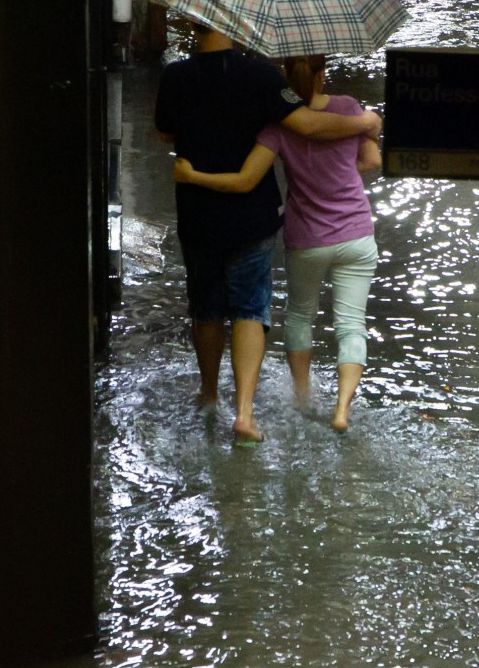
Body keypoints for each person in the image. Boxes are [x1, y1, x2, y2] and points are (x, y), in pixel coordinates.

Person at [156, 24, 380, 445]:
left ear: (194, 23)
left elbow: (166, 133)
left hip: (199, 213)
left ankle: (210, 394)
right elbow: (311, 127)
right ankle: (246, 413)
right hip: (256, 218)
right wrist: (367, 120)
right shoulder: (262, 75)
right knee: (250, 310)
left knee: (207, 309)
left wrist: (195, 160)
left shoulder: (175, 75)